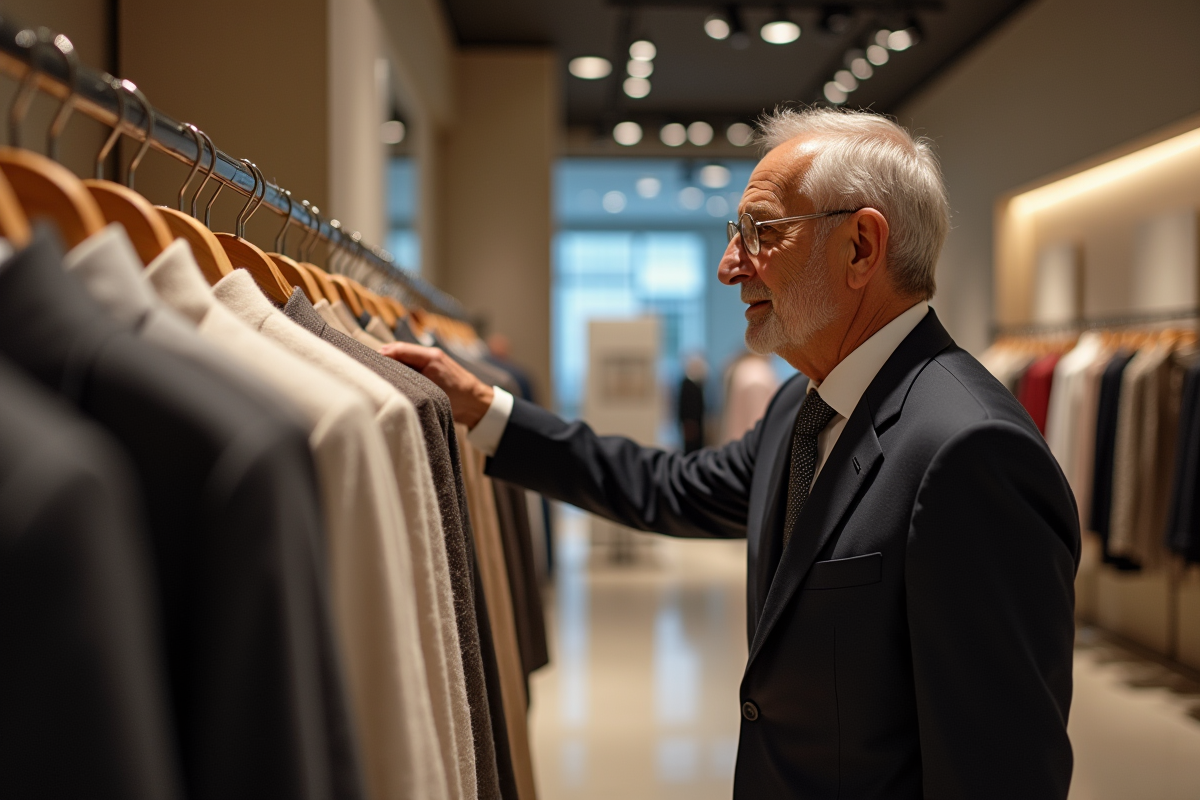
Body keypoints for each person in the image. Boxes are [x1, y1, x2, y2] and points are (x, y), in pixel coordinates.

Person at [383, 107, 1080, 799]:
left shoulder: (970, 450)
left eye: (762, 232)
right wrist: (485, 410)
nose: (728, 266)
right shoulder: (800, 410)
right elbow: (670, 486)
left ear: (862, 248)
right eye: (734, 234)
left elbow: (1002, 770)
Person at [678, 353, 708, 454]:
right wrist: (687, 424)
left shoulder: (697, 384)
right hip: (690, 425)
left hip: (698, 424)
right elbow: (685, 407)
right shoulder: (687, 384)